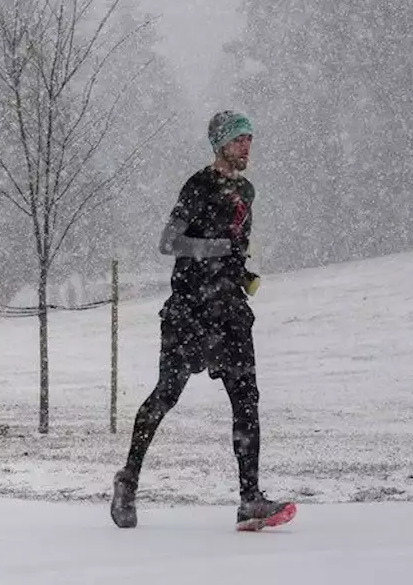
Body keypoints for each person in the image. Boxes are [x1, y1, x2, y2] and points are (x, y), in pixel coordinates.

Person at [110, 111, 294, 531]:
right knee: (166, 395)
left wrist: (240, 272)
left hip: (229, 312)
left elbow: (235, 247)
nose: (247, 145)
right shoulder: (199, 185)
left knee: (246, 400)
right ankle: (128, 480)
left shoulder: (247, 190)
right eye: (238, 139)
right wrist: (213, 250)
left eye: (249, 138)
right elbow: (168, 241)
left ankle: (250, 500)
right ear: (219, 145)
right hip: (190, 313)